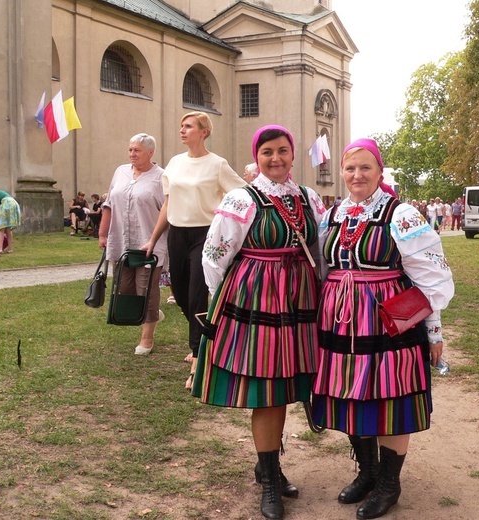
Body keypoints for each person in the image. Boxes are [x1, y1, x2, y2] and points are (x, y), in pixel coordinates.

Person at [311, 138, 454, 519]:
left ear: (379, 171)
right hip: (340, 320)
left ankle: (390, 483)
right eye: (350, 168)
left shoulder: (401, 213)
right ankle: (368, 472)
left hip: (387, 321)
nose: (357, 175)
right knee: (351, 393)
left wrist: (434, 331)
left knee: (390, 397)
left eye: (365, 168)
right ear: (342, 172)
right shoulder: (333, 214)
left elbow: (432, 276)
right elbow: (322, 268)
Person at [194, 125, 325, 519]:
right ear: (258, 156)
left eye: (283, 151)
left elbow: (321, 249)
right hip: (258, 300)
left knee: (290, 386)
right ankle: (270, 479)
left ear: (293, 154)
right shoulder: (242, 198)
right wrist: (223, 301)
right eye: (267, 152)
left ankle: (265, 466)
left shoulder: (309, 197)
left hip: (300, 300)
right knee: (267, 391)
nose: (276, 159)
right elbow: (215, 254)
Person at [144, 111, 246, 388]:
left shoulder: (218, 164)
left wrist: (228, 221)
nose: (182, 130)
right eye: (181, 126)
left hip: (205, 234)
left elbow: (243, 193)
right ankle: (205, 336)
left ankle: (199, 358)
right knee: (181, 293)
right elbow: (167, 204)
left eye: (188, 126)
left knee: (198, 294)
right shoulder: (174, 164)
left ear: (204, 132)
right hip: (177, 233)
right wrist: (153, 240)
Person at [99, 134, 167, 355]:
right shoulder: (121, 171)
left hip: (149, 243)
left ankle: (147, 338)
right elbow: (109, 203)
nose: (132, 154)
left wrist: (155, 239)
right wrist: (102, 233)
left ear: (150, 152)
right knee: (125, 288)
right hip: (121, 240)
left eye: (137, 150)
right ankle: (154, 312)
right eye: (130, 150)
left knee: (146, 289)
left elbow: (167, 212)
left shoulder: (162, 177)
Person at [0, 187, 21, 254]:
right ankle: (10, 249)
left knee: (1, 228)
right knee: (8, 228)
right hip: (13, 203)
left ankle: (0, 249)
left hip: (7, 203)